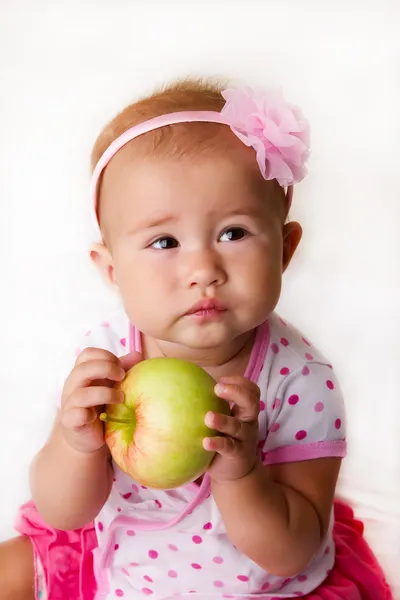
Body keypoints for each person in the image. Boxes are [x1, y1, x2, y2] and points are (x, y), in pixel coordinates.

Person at [0, 79, 392, 600]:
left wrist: (241, 474)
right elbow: (64, 512)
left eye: (233, 233)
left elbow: (293, 547)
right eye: (164, 241)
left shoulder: (300, 381)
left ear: (285, 250)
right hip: (123, 564)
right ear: (112, 270)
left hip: (256, 588)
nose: (202, 270)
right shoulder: (109, 359)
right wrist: (75, 444)